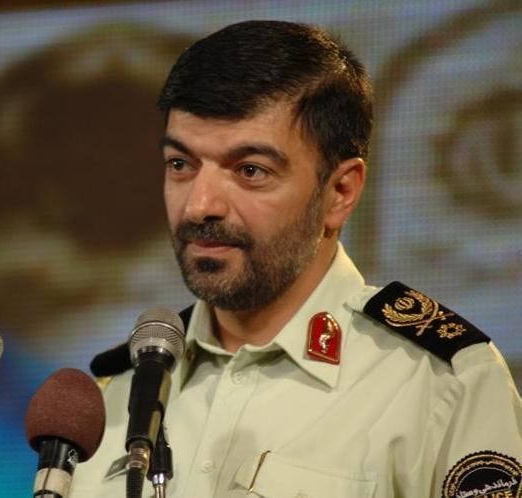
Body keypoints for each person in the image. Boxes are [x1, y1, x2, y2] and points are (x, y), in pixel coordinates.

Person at [69, 20, 522, 498]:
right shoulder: (114, 394)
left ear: (340, 192)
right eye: (180, 164)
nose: (199, 206)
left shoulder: (442, 387)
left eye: (250, 171)